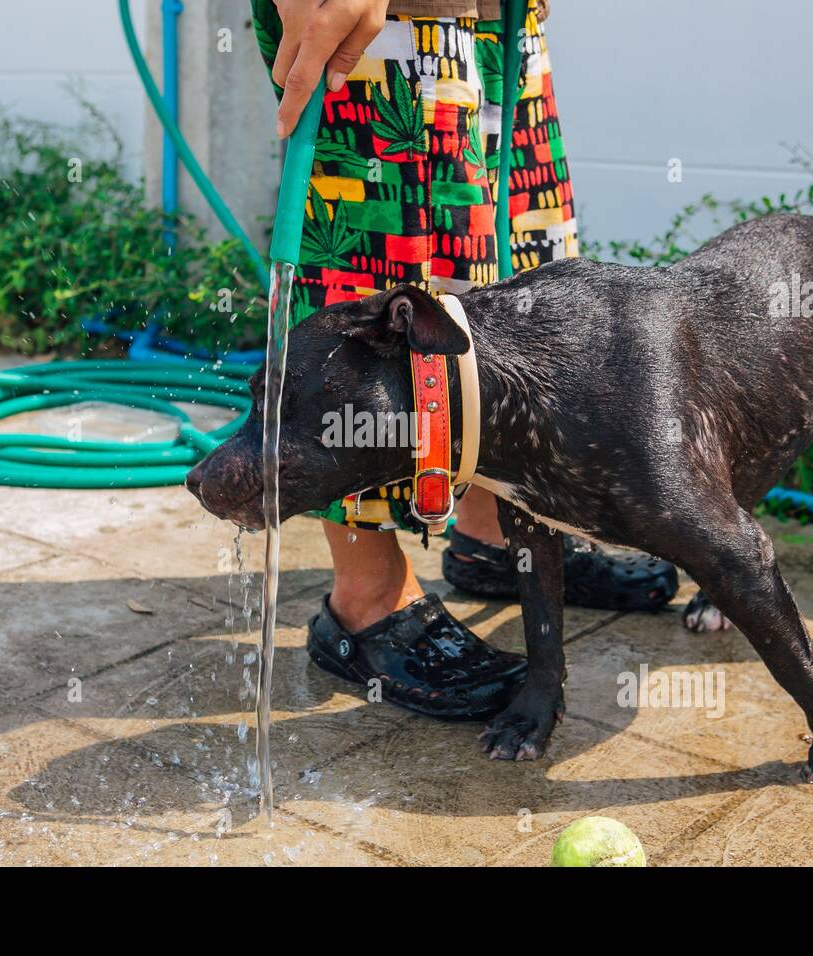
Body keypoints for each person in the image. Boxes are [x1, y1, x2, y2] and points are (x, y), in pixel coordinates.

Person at [251, 0, 678, 720]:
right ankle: (366, 598)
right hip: (382, 26)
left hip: (491, 17)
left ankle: (488, 533)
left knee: (508, 265)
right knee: (385, 272)